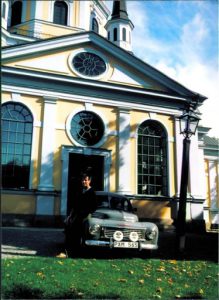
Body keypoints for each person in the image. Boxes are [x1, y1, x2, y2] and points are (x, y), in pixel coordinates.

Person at [64, 173, 97, 257]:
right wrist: (70, 216)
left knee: (81, 235)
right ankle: (70, 252)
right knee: (72, 233)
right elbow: (74, 205)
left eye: (86, 180)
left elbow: (93, 207)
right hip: (76, 216)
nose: (84, 182)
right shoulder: (80, 192)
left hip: (84, 217)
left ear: (89, 181)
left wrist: (86, 216)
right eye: (83, 180)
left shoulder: (92, 192)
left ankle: (78, 253)